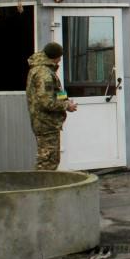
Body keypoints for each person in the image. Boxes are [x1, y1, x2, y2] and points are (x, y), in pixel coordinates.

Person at [26, 42, 77, 170]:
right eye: (59, 56)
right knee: (46, 162)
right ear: (55, 57)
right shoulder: (44, 74)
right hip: (46, 123)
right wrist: (66, 105)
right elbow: (46, 102)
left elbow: (57, 91)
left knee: (52, 160)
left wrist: (66, 100)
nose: (60, 59)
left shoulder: (46, 70)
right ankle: (42, 188)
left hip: (48, 123)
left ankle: (45, 187)